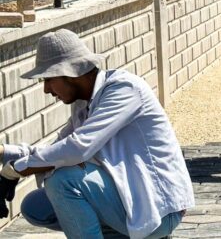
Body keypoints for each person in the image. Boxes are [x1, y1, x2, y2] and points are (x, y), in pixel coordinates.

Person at [0, 29, 194, 238]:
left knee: (63, 181)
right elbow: (55, 150)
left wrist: (15, 170)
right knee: (34, 206)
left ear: (71, 74)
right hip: (129, 198)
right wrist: (5, 153)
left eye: (48, 79)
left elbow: (78, 148)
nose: (46, 90)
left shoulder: (124, 89)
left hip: (159, 210)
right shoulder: (84, 102)